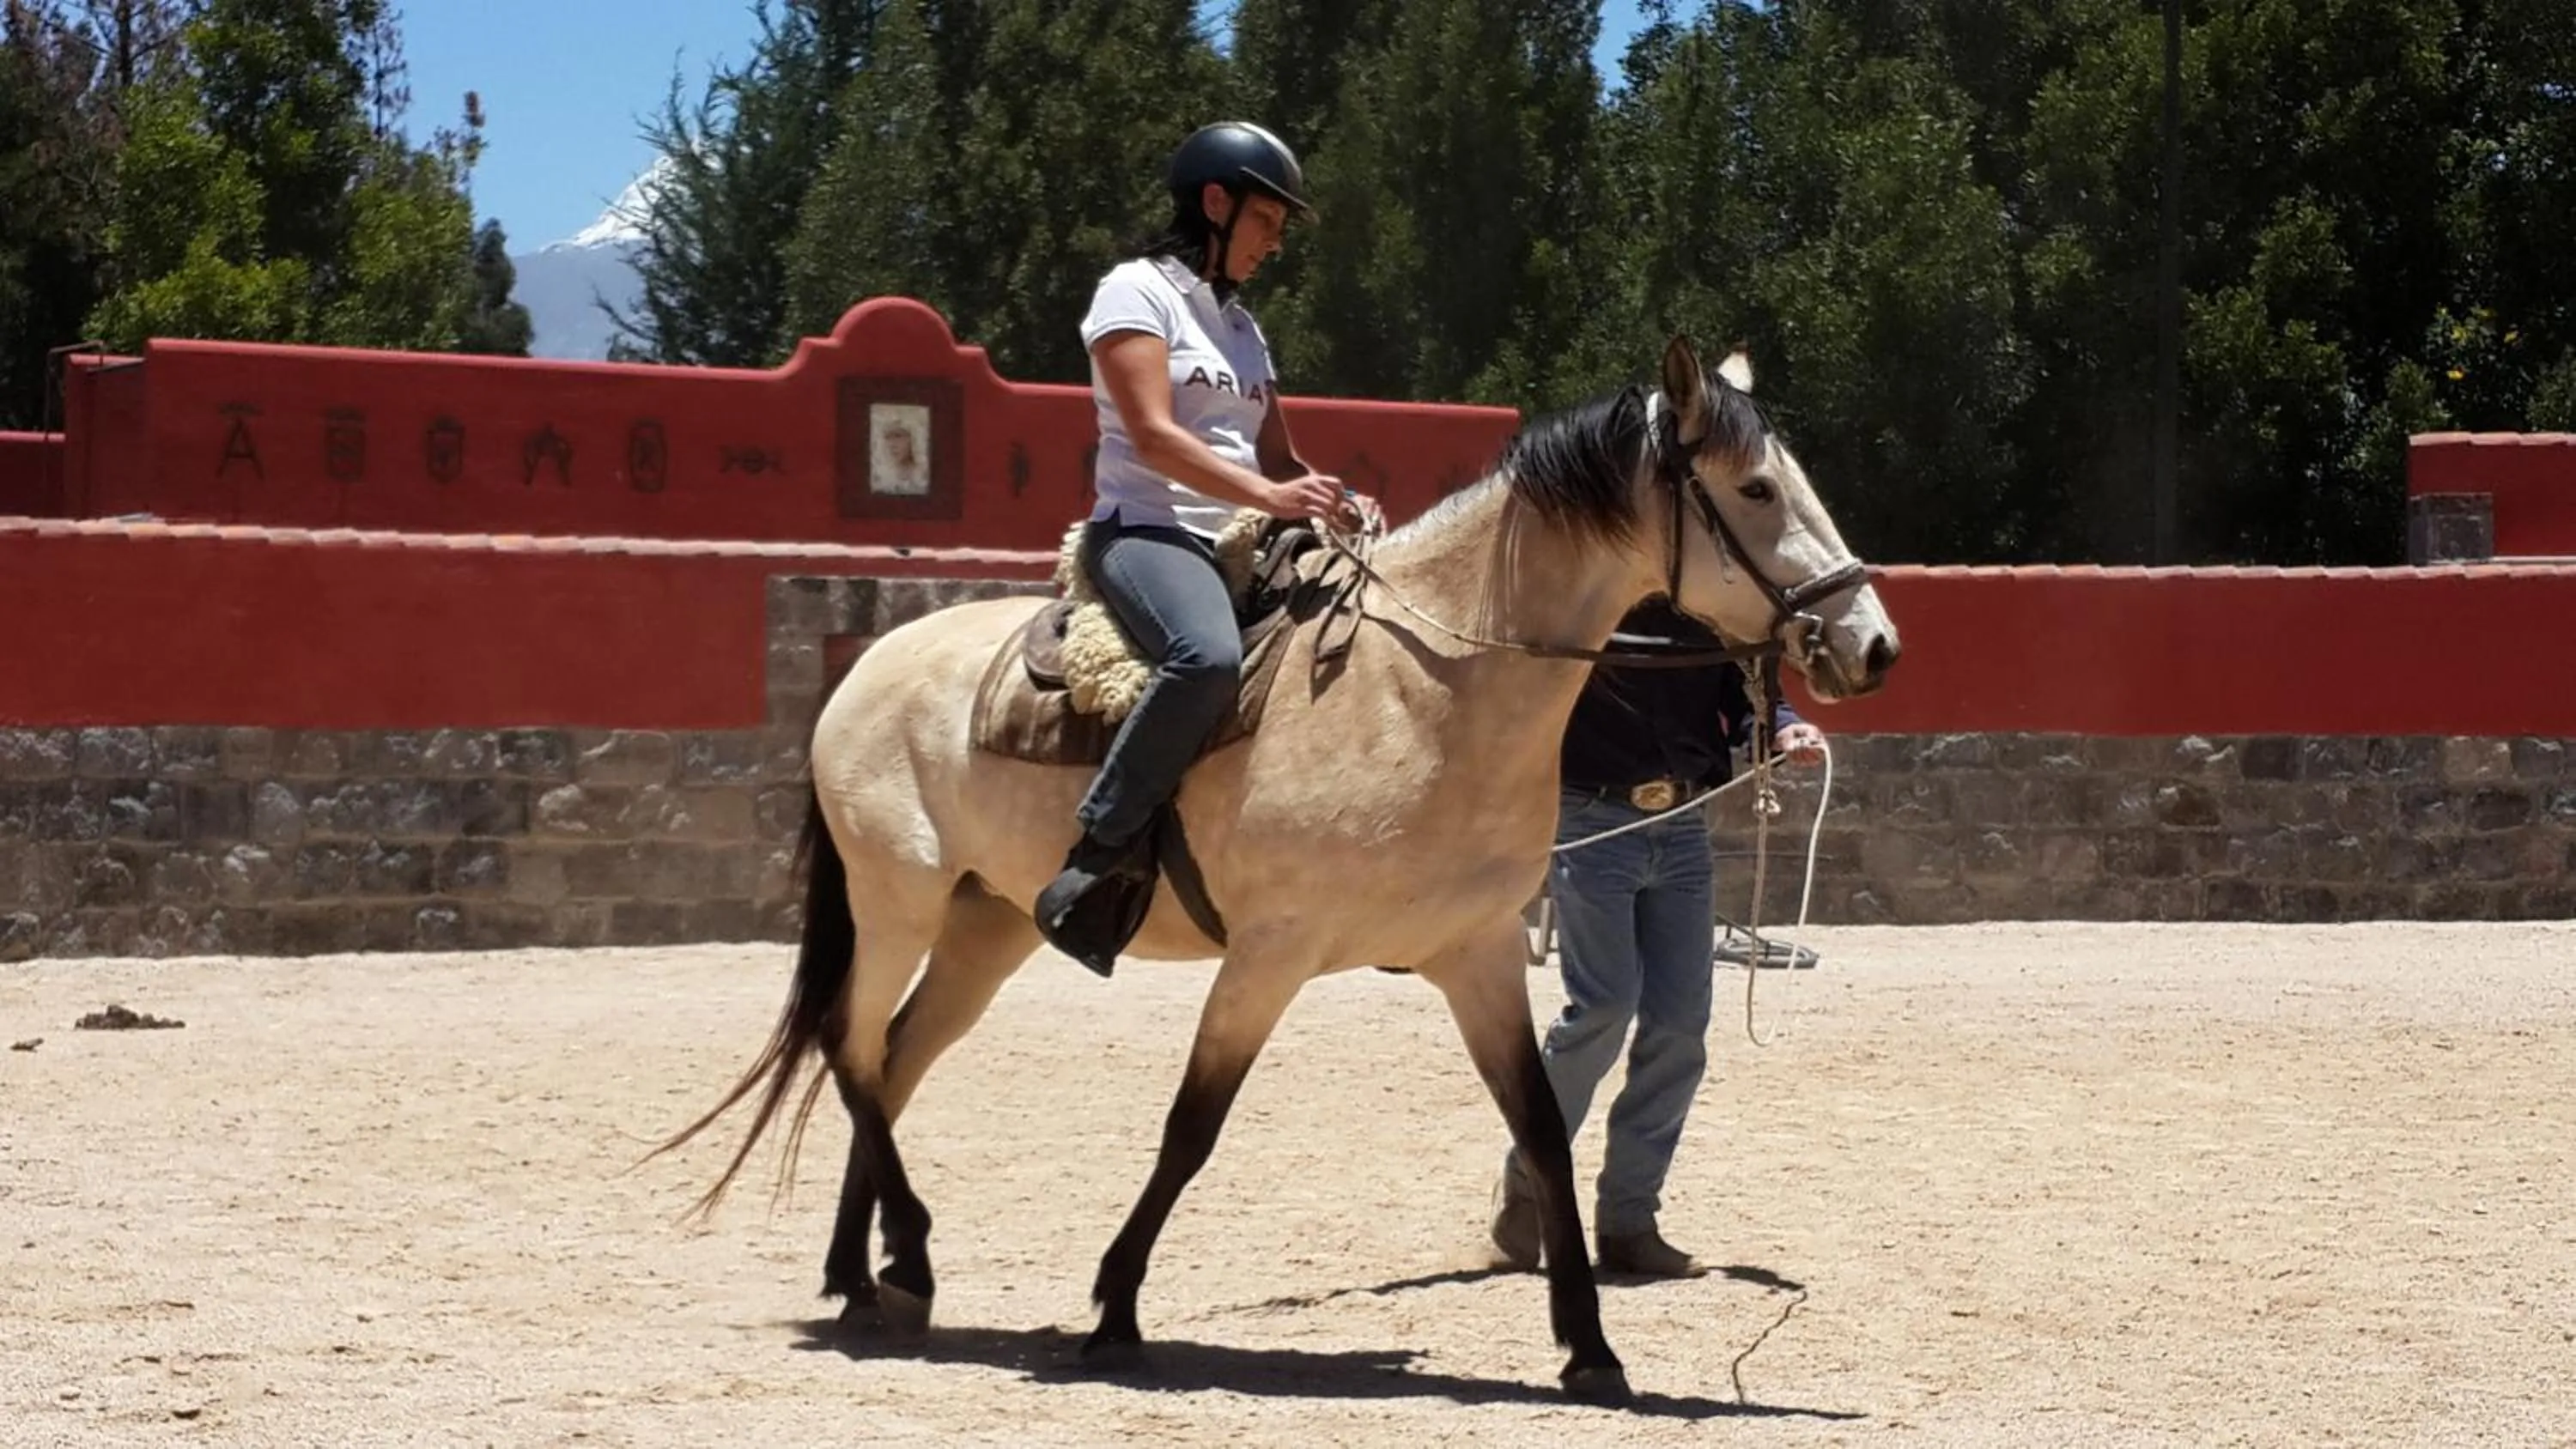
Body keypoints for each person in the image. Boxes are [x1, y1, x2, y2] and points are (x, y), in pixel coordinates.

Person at [1035, 120, 1375, 979]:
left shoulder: (1243, 328)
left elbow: (1277, 460)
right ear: (1215, 203)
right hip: (1148, 530)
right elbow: (1153, 435)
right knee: (1207, 657)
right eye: (1267, 219)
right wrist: (1271, 498)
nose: (1276, 241)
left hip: (1244, 533)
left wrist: (1332, 496)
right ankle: (1099, 854)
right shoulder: (1133, 292)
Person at [1489, 596, 1827, 1277]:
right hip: (1590, 821)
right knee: (1604, 1007)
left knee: (1679, 1025)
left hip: (1683, 827)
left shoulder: (1711, 609)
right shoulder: (1583, 597)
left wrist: (1786, 728)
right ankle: (1529, 1180)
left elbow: (1752, 696)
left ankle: (1629, 1221)